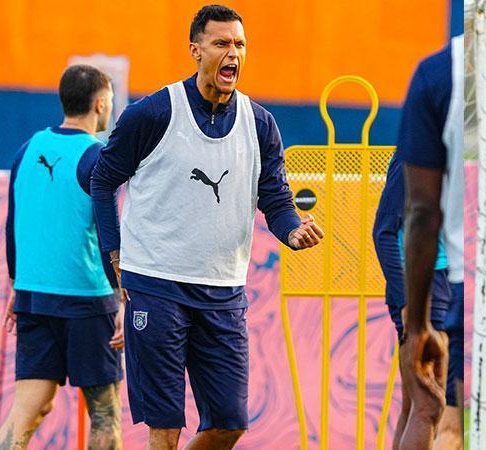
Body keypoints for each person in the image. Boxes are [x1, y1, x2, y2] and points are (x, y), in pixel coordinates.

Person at [90, 5, 323, 449]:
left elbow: (275, 198)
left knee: (229, 424)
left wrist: (292, 230)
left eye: (239, 44)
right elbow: (102, 181)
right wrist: (114, 258)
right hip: (156, 285)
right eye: (221, 43)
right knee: (165, 426)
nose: (232, 53)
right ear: (195, 50)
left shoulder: (261, 124)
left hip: (224, 293)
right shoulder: (152, 114)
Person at [0, 64, 123, 450]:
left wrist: (17, 284)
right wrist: (122, 296)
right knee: (104, 414)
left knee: (27, 411)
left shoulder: (27, 150)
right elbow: (109, 235)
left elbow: (14, 224)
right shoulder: (96, 156)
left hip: (34, 298)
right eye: (110, 100)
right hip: (87, 301)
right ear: (100, 104)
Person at [397, 34, 464, 450]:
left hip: (450, 289)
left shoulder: (436, 73)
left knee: (433, 410)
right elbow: (392, 226)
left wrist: (415, 322)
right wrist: (409, 310)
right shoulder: (412, 162)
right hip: (439, 289)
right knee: (426, 407)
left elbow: (420, 214)